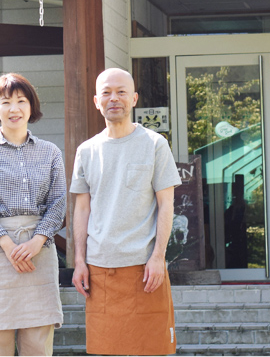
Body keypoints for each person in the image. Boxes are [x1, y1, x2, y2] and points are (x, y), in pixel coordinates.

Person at [70, 68, 181, 355]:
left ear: (133, 98)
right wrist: (79, 261)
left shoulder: (155, 144)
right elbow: (82, 209)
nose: (114, 98)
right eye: (106, 92)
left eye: (121, 92)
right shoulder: (86, 151)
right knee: (105, 351)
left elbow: (166, 204)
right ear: (97, 101)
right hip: (100, 271)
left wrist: (159, 257)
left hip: (145, 269)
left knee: (153, 350)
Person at [0, 73, 66, 356]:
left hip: (39, 252)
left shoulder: (51, 153)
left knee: (37, 343)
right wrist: (8, 246)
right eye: (5, 102)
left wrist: (36, 242)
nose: (14, 108)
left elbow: (58, 203)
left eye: (21, 101)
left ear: (31, 106)